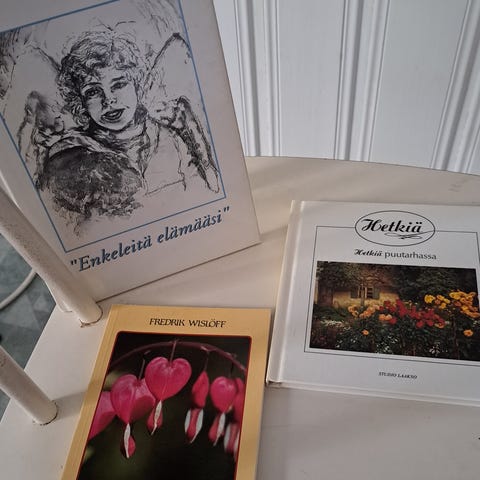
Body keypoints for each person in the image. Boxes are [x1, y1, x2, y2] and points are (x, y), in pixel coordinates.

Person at [36, 30, 219, 229]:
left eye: (119, 84)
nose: (109, 100)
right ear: (80, 101)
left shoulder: (170, 137)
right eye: (93, 91)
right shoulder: (71, 156)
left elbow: (205, 194)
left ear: (137, 85)